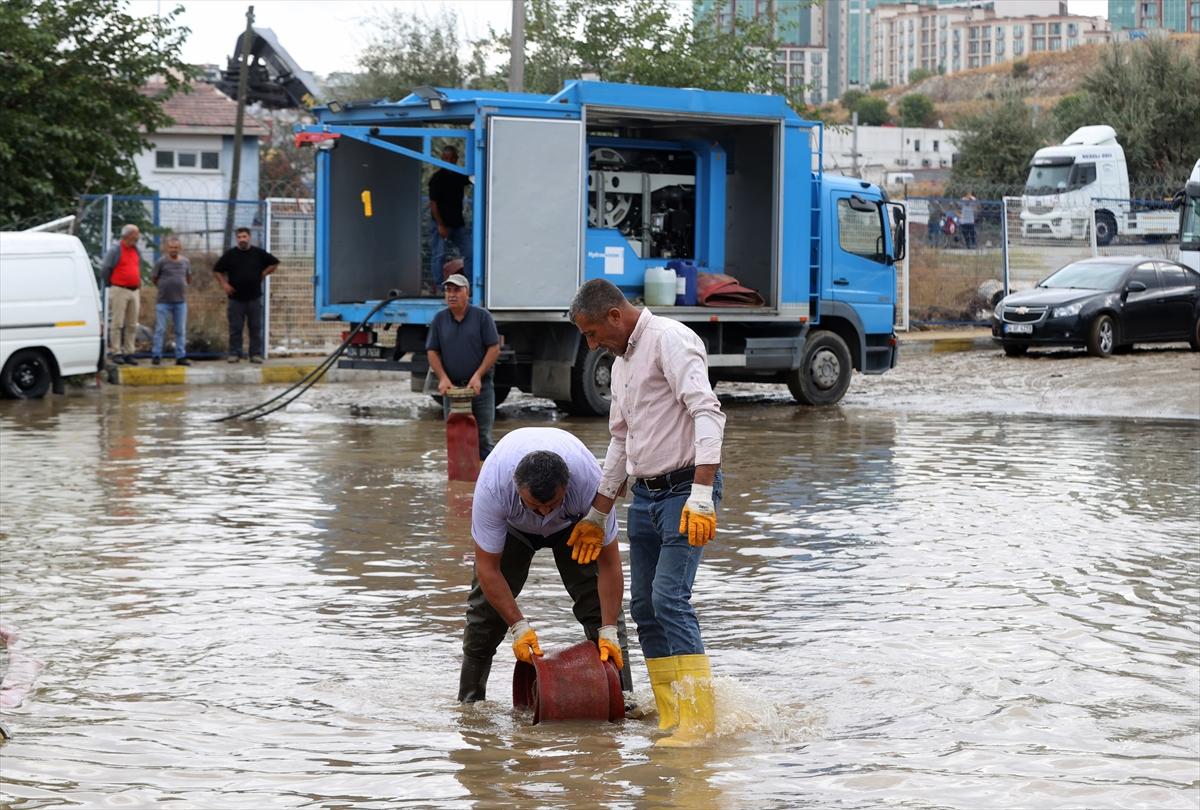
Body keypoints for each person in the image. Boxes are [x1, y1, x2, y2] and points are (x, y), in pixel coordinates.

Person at [567, 278, 726, 747]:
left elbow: (707, 412)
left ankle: (700, 722)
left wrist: (701, 494)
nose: (592, 344)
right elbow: (621, 439)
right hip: (646, 494)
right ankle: (671, 714)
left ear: (615, 316)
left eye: (593, 333)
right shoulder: (620, 364)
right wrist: (598, 511)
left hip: (685, 490)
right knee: (643, 608)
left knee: (669, 598)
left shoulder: (670, 340)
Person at [458, 427, 634, 705]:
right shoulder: (493, 487)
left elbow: (611, 565)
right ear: (517, 489)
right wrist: (518, 626)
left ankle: (623, 698)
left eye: (552, 504)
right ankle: (470, 702)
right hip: (514, 529)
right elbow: (487, 568)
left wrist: (609, 628)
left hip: (575, 525)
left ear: (567, 486)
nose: (544, 513)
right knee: (484, 615)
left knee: (599, 611)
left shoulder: (590, 483)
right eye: (535, 506)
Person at [426, 274, 499, 459]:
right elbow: (432, 351)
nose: (451, 294)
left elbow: (494, 347)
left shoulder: (482, 317)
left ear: (468, 293)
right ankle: (458, 485)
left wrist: (478, 375)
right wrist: (442, 377)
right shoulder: (439, 319)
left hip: (480, 388)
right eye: (448, 290)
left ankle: (483, 484)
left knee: (482, 439)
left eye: (457, 290)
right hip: (452, 390)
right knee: (455, 438)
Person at [213, 227, 278, 364]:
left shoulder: (258, 253)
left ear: (249, 237)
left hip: (254, 297)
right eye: (239, 237)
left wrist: (264, 273)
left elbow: (274, 263)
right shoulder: (230, 255)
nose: (242, 239)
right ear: (237, 239)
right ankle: (234, 353)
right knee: (235, 328)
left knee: (255, 328)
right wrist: (224, 284)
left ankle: (255, 354)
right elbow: (217, 270)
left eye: (244, 237)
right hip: (236, 299)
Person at [428, 144, 472, 289]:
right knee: (438, 255)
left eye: (452, 158)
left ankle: (470, 284)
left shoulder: (459, 177)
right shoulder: (437, 179)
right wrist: (440, 225)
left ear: (456, 159)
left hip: (457, 223)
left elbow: (473, 177)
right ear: (442, 159)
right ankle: (441, 287)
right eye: (446, 158)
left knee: (470, 252)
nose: (449, 161)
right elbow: (433, 204)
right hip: (441, 223)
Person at [100, 224, 143, 365]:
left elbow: (137, 267)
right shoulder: (115, 250)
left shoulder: (136, 250)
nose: (137, 238)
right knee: (117, 323)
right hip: (119, 290)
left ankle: (129, 352)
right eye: (135, 235)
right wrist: (111, 284)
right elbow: (106, 269)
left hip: (134, 291)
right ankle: (116, 351)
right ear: (127, 236)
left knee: (132, 324)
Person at [150, 236, 192, 366]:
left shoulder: (186, 261)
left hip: (180, 302)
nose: (173, 250)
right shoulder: (161, 262)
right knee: (160, 329)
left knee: (180, 330)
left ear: (180, 248)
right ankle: (156, 355)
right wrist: (164, 286)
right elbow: (154, 278)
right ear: (167, 248)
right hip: (163, 302)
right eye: (171, 247)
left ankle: (180, 356)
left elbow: (188, 277)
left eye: (176, 247)